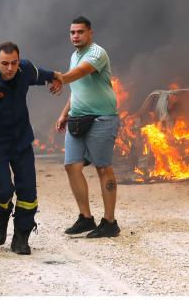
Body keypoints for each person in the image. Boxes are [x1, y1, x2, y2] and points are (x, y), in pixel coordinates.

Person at [0, 41, 61, 255]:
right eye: (5, 63)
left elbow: (40, 74)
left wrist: (55, 76)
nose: (10, 69)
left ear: (18, 61)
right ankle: (1, 215)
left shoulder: (24, 70)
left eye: (14, 63)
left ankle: (21, 237)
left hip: (21, 141)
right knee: (3, 190)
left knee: (28, 191)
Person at [55, 16, 121, 238]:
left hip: (102, 118)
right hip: (76, 119)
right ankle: (86, 218)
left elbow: (80, 73)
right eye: (72, 32)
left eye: (80, 32)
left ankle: (110, 222)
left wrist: (58, 78)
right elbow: (77, 89)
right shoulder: (74, 55)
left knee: (103, 168)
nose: (75, 36)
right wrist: (64, 114)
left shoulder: (96, 53)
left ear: (90, 33)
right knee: (71, 166)